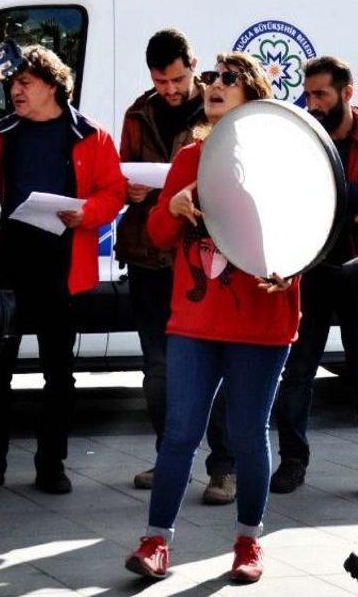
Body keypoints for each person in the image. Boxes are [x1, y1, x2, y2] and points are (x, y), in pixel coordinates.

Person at [125, 52, 299, 583]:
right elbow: (155, 236)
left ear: (253, 94)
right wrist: (171, 210)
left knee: (248, 434)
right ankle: (156, 541)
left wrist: (291, 272)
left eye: (229, 79)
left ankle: (249, 542)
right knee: (179, 432)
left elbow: (307, 234)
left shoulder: (283, 159)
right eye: (212, 78)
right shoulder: (189, 158)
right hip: (196, 319)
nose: (214, 86)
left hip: (261, 321)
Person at [0, 45, 126, 495]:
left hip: (60, 268)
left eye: (25, 83)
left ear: (53, 86)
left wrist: (88, 213)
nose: (15, 90)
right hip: (6, 266)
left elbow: (113, 190)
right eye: (13, 83)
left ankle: (51, 466)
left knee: (58, 373)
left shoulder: (91, 135)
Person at [115, 28, 235, 503]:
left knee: (220, 368)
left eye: (178, 79)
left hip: (204, 257)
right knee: (158, 369)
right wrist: (130, 189)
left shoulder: (219, 106)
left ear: (193, 66)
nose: (170, 90)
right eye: (161, 81)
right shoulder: (137, 114)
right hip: (148, 256)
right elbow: (120, 172)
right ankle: (171, 459)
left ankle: (223, 468)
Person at [270, 56, 358, 494]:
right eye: (308, 94)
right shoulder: (303, 135)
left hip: (357, 271)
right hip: (314, 267)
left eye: (322, 94)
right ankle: (292, 461)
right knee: (298, 370)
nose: (313, 103)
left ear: (348, 92)